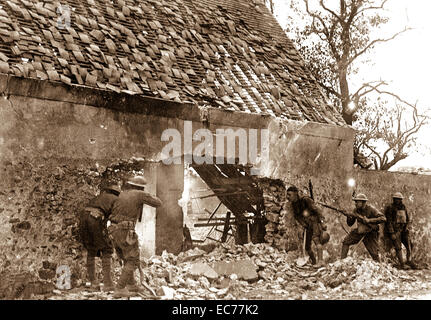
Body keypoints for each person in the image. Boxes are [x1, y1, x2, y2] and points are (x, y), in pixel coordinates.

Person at [108, 176, 162, 298]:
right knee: (132, 259)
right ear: (140, 187)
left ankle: (131, 285)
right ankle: (120, 288)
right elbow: (158, 203)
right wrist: (146, 194)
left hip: (113, 230)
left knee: (126, 258)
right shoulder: (139, 194)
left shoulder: (122, 194)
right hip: (125, 230)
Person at [78, 182, 121, 291]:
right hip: (95, 218)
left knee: (91, 250)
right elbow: (114, 219)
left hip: (83, 218)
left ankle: (94, 284)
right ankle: (108, 284)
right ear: (117, 193)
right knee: (107, 249)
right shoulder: (116, 200)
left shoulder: (99, 197)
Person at [286, 186, 328, 267]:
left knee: (317, 240)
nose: (288, 197)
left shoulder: (305, 200)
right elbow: (297, 216)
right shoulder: (294, 204)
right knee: (307, 246)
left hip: (315, 222)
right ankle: (314, 262)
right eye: (287, 195)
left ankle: (321, 261)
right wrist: (303, 224)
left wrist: (322, 222)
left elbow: (317, 210)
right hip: (307, 225)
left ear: (296, 193)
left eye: (289, 195)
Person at [340, 193, 386, 262]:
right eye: (355, 202)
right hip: (360, 231)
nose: (355, 203)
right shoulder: (356, 210)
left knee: (374, 254)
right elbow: (350, 223)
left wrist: (369, 220)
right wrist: (347, 216)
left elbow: (383, 218)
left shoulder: (371, 209)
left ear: (363, 202)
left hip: (371, 233)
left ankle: (380, 268)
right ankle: (342, 262)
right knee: (346, 242)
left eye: (357, 202)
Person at [384, 192, 415, 269]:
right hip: (395, 230)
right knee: (398, 247)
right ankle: (402, 264)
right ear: (393, 199)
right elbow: (389, 222)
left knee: (410, 244)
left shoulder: (403, 207)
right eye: (396, 199)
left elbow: (406, 218)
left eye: (399, 199)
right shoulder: (390, 208)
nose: (397, 201)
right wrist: (392, 233)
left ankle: (409, 260)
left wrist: (406, 227)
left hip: (403, 230)